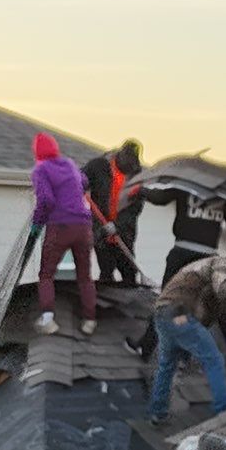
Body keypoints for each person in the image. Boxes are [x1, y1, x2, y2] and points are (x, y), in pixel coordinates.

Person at [146, 251, 226, 427]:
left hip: (163, 315)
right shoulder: (222, 265)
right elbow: (224, 289)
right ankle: (224, 412)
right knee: (214, 360)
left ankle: (158, 412)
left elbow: (205, 313)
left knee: (167, 365)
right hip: (178, 315)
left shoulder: (205, 269)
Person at [30, 132, 98, 336]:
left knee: (46, 274)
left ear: (37, 153)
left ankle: (48, 320)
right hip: (84, 226)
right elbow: (84, 181)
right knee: (85, 276)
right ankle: (89, 320)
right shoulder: (69, 164)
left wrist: (37, 224)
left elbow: (46, 201)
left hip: (60, 227)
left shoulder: (40, 171)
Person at [83, 140, 145, 286]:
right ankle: (105, 305)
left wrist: (117, 225)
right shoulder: (99, 166)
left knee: (129, 273)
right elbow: (80, 177)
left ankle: (129, 304)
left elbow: (134, 209)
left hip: (124, 234)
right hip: (101, 231)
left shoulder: (138, 176)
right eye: (127, 165)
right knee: (106, 272)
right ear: (119, 157)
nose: (129, 168)